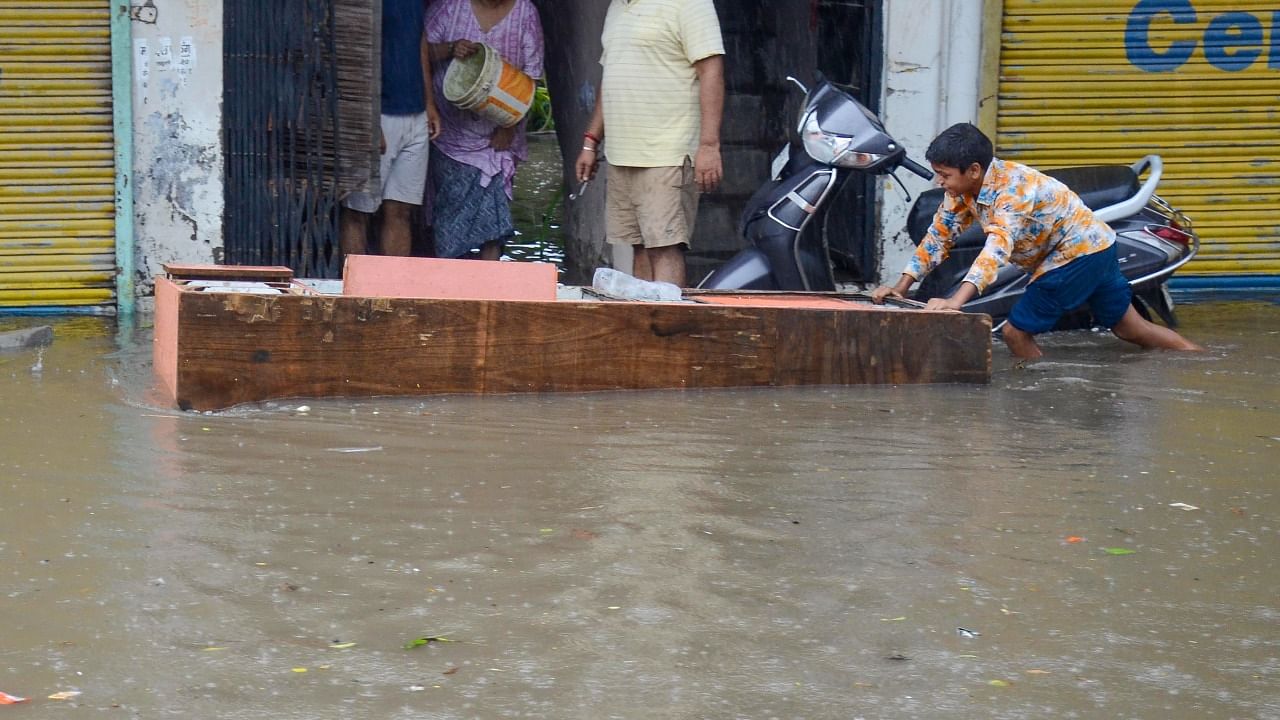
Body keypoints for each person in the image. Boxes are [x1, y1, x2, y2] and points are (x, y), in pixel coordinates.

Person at [871, 123, 1203, 360]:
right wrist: (901, 287)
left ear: (973, 170)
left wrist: (955, 303)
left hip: (1076, 255)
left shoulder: (1011, 191)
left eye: (944, 174)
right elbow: (938, 236)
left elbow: (996, 249)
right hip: (1099, 245)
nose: (939, 181)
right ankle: (1200, 361)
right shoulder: (962, 191)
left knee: (1015, 333)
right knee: (1132, 330)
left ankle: (1036, 402)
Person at [574, 0, 725, 286]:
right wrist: (590, 142)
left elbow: (711, 72)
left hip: (666, 150)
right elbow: (613, 77)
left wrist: (708, 145)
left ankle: (669, 326)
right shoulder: (617, 7)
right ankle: (647, 325)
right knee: (639, 247)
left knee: (664, 247)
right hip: (621, 154)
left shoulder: (690, 4)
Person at [424, 0, 544, 261]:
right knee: (450, 218)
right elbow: (422, 50)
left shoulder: (525, 12)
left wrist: (509, 127)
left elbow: (531, 75)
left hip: (498, 138)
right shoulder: (450, 7)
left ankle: (490, 291)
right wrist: (450, 49)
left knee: (493, 225)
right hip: (450, 133)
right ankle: (449, 287)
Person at [340, 0, 442, 259]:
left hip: (415, 113)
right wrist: (368, 119)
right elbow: (351, 54)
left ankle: (393, 290)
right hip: (378, 114)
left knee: (401, 211)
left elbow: (419, 42)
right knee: (358, 211)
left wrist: (429, 103)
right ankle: (354, 291)